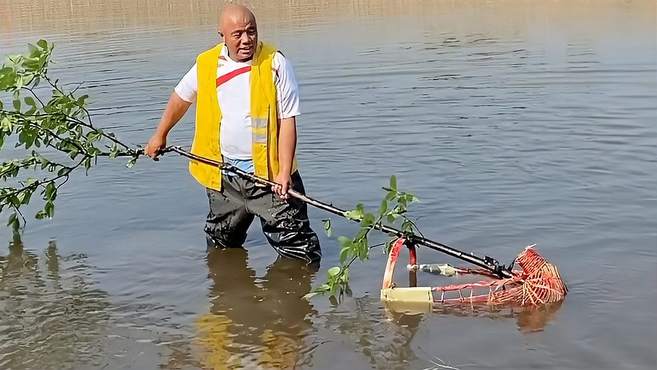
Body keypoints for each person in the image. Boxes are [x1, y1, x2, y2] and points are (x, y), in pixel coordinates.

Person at [144, 4, 321, 264]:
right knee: (221, 247)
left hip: (270, 178)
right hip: (224, 176)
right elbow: (181, 98)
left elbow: (287, 121)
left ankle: (297, 298)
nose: (246, 40)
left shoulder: (275, 64)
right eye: (238, 34)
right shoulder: (206, 65)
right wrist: (160, 134)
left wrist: (284, 173)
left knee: (299, 252)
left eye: (251, 32)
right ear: (223, 36)